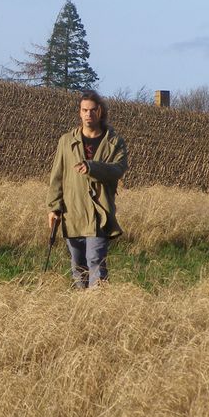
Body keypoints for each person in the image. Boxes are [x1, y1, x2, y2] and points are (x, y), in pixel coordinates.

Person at [47, 90, 128, 288]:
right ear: (79, 112)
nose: (88, 115)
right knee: (78, 267)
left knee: (95, 262)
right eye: (84, 110)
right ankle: (81, 310)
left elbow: (118, 170)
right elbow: (57, 176)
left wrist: (92, 167)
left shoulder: (114, 142)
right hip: (71, 213)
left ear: (100, 112)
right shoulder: (67, 141)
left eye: (92, 110)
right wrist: (53, 207)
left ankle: (97, 309)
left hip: (99, 214)